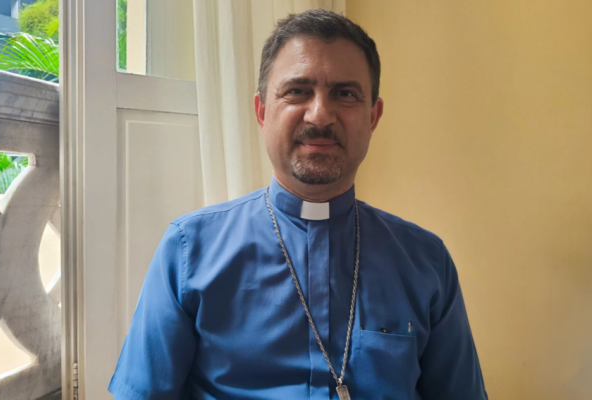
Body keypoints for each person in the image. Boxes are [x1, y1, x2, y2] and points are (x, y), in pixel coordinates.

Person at [108, 9, 488, 400]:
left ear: (373, 117)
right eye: (297, 91)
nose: (320, 114)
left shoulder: (426, 261)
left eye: (345, 93)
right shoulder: (189, 250)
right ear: (262, 111)